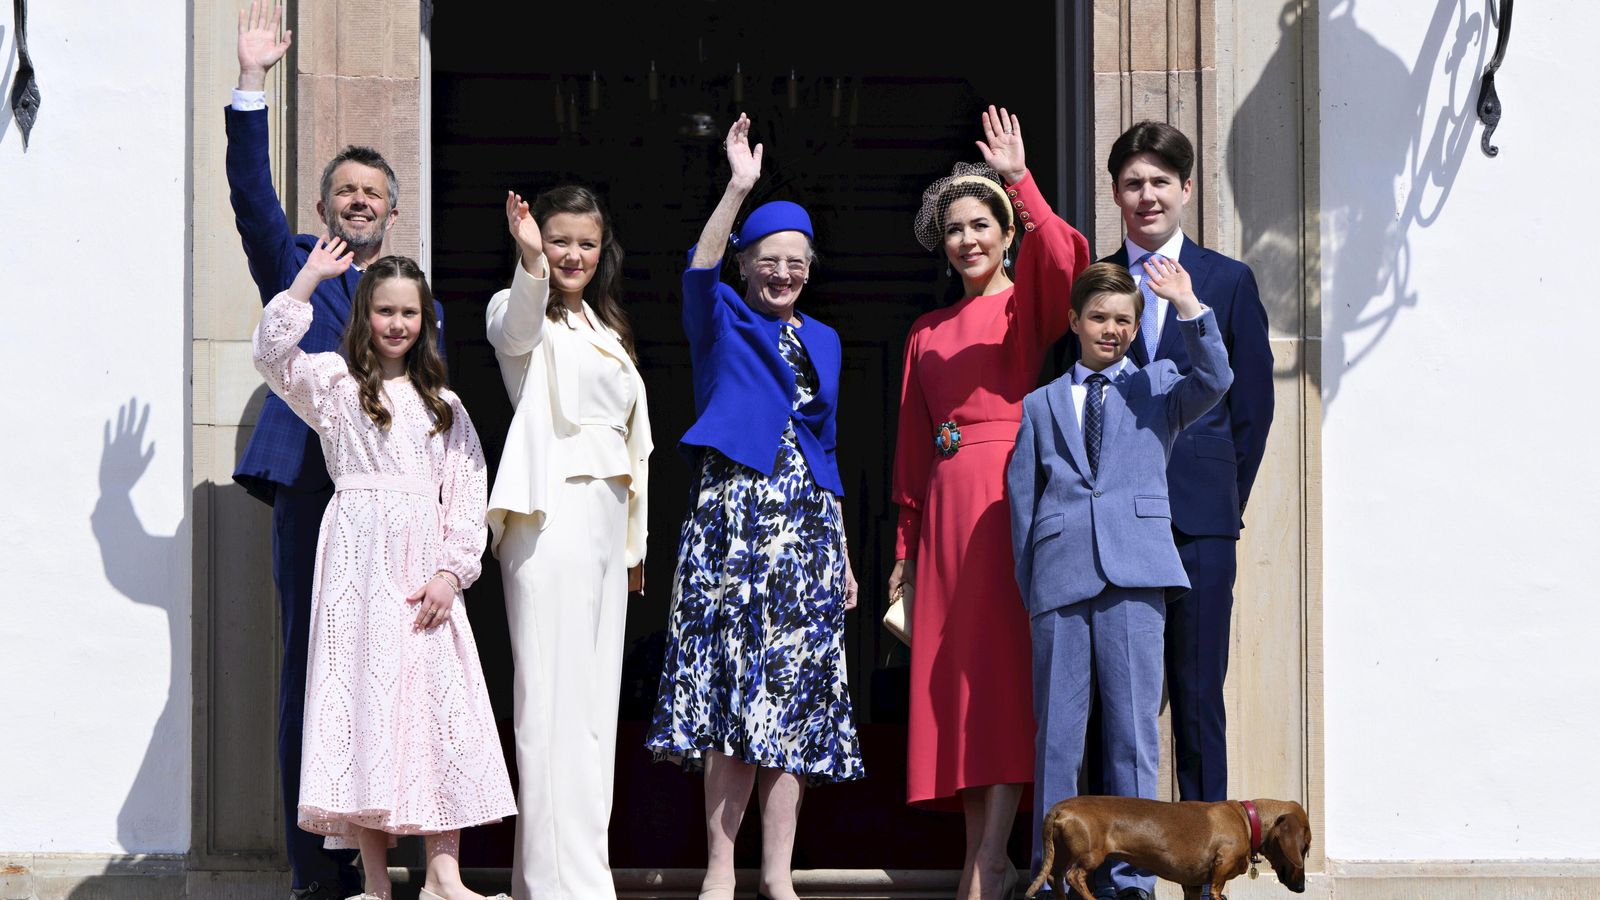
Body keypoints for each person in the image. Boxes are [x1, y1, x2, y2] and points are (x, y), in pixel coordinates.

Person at [228, 6, 446, 896]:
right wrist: (251, 86)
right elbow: (249, 197)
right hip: (314, 494)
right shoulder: (297, 267)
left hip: (398, 516)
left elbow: (439, 422)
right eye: (344, 192)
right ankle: (317, 873)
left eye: (373, 194)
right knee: (311, 676)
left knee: (400, 676)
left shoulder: (410, 302)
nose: (359, 202)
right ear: (323, 209)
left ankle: (392, 858)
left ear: (393, 213)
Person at [252, 238, 515, 900]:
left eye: (410, 313)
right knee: (365, 710)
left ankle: (443, 877)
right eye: (385, 311)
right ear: (365, 315)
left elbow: (466, 498)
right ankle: (375, 882)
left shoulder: (446, 406)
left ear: (424, 322)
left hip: (422, 574)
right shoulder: (336, 389)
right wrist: (309, 277)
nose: (398, 324)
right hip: (357, 572)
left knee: (436, 704)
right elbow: (271, 356)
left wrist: (452, 573)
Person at [645, 113, 864, 900]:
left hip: (805, 526)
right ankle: (719, 873)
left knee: (793, 704)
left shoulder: (829, 341)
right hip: (734, 520)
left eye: (795, 263)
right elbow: (697, 269)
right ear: (745, 266)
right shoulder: (721, 318)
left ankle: (778, 876)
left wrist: (839, 549)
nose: (782, 274)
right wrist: (738, 185)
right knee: (734, 698)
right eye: (768, 261)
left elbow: (827, 444)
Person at [888, 106, 1090, 900]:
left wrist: (1020, 179)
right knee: (961, 687)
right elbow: (910, 450)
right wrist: (903, 551)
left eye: (983, 225)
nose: (969, 239)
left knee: (1002, 682)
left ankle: (991, 863)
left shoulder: (1025, 306)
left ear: (1006, 233)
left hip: (1010, 500)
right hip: (943, 514)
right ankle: (986, 858)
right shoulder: (924, 330)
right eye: (956, 229)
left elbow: (1069, 264)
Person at [1007, 260, 1233, 900]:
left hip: (1136, 575)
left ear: (1137, 328)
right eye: (1100, 318)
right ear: (1075, 321)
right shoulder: (1040, 404)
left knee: (1133, 734)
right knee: (1057, 734)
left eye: (1124, 321)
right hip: (1059, 578)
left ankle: (1134, 878)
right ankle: (1050, 877)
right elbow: (1024, 506)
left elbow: (1217, 376)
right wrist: (1035, 590)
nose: (1111, 330)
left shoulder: (1161, 385)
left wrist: (1188, 305)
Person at [1087, 122, 1275, 812]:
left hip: (1200, 525)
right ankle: (1110, 874)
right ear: (1115, 192)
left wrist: (1222, 498)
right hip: (1113, 526)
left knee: (1198, 698)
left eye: (1161, 181)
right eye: (1133, 182)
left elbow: (1251, 406)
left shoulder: (1227, 280)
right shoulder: (1096, 284)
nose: (1147, 195)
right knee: (1115, 705)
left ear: (1187, 189)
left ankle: (1205, 875)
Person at [485, 186, 653, 900]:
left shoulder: (605, 327)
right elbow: (518, 329)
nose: (572, 254)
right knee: (549, 706)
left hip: (604, 528)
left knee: (589, 712)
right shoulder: (516, 308)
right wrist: (529, 262)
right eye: (558, 239)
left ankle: (557, 880)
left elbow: (631, 447)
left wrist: (632, 545)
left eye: (585, 242)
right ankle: (567, 888)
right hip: (549, 519)